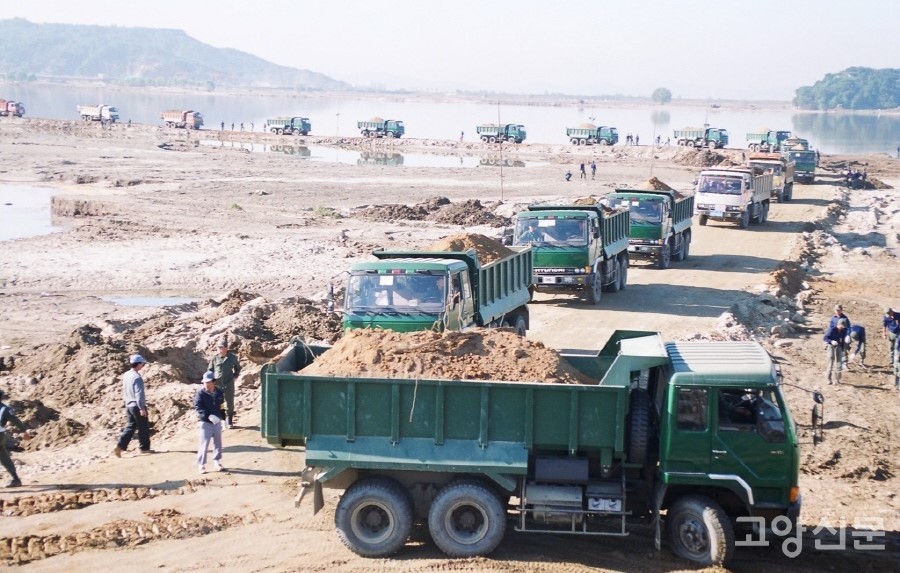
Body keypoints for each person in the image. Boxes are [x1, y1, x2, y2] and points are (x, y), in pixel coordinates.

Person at [113, 354, 152, 456]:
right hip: (136, 405)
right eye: (142, 364)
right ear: (138, 364)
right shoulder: (137, 377)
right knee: (143, 427)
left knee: (130, 426)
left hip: (128, 405)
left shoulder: (126, 375)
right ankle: (144, 448)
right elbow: (139, 394)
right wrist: (142, 408)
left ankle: (120, 446)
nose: (143, 365)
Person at [195, 371, 225, 473]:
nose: (206, 384)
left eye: (208, 382)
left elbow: (221, 406)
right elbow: (198, 407)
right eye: (204, 382)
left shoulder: (219, 393)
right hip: (205, 423)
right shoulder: (200, 393)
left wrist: (223, 419)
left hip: (216, 422)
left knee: (218, 443)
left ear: (214, 382)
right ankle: (201, 465)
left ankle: (217, 462)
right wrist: (208, 416)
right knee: (204, 444)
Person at [208, 340, 242, 428]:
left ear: (226, 348)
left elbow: (237, 368)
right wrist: (211, 381)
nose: (219, 349)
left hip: (228, 383)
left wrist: (235, 376)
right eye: (218, 347)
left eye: (221, 347)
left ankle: (229, 419)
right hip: (218, 384)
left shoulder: (232, 357)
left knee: (229, 402)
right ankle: (222, 418)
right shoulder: (215, 358)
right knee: (219, 402)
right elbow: (210, 370)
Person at [0, 389, 30, 487]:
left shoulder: (4, 409)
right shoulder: (5, 409)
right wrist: (24, 431)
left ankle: (16, 479)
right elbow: (15, 420)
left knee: (3, 456)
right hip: (1, 435)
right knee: (4, 457)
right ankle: (15, 479)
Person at [823, 318, 849, 384]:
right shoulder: (832, 330)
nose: (842, 328)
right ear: (838, 324)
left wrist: (843, 349)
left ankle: (837, 379)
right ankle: (828, 378)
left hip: (839, 346)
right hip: (831, 345)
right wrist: (831, 341)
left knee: (839, 362)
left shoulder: (844, 330)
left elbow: (843, 340)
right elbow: (825, 338)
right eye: (841, 326)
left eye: (843, 326)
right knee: (831, 360)